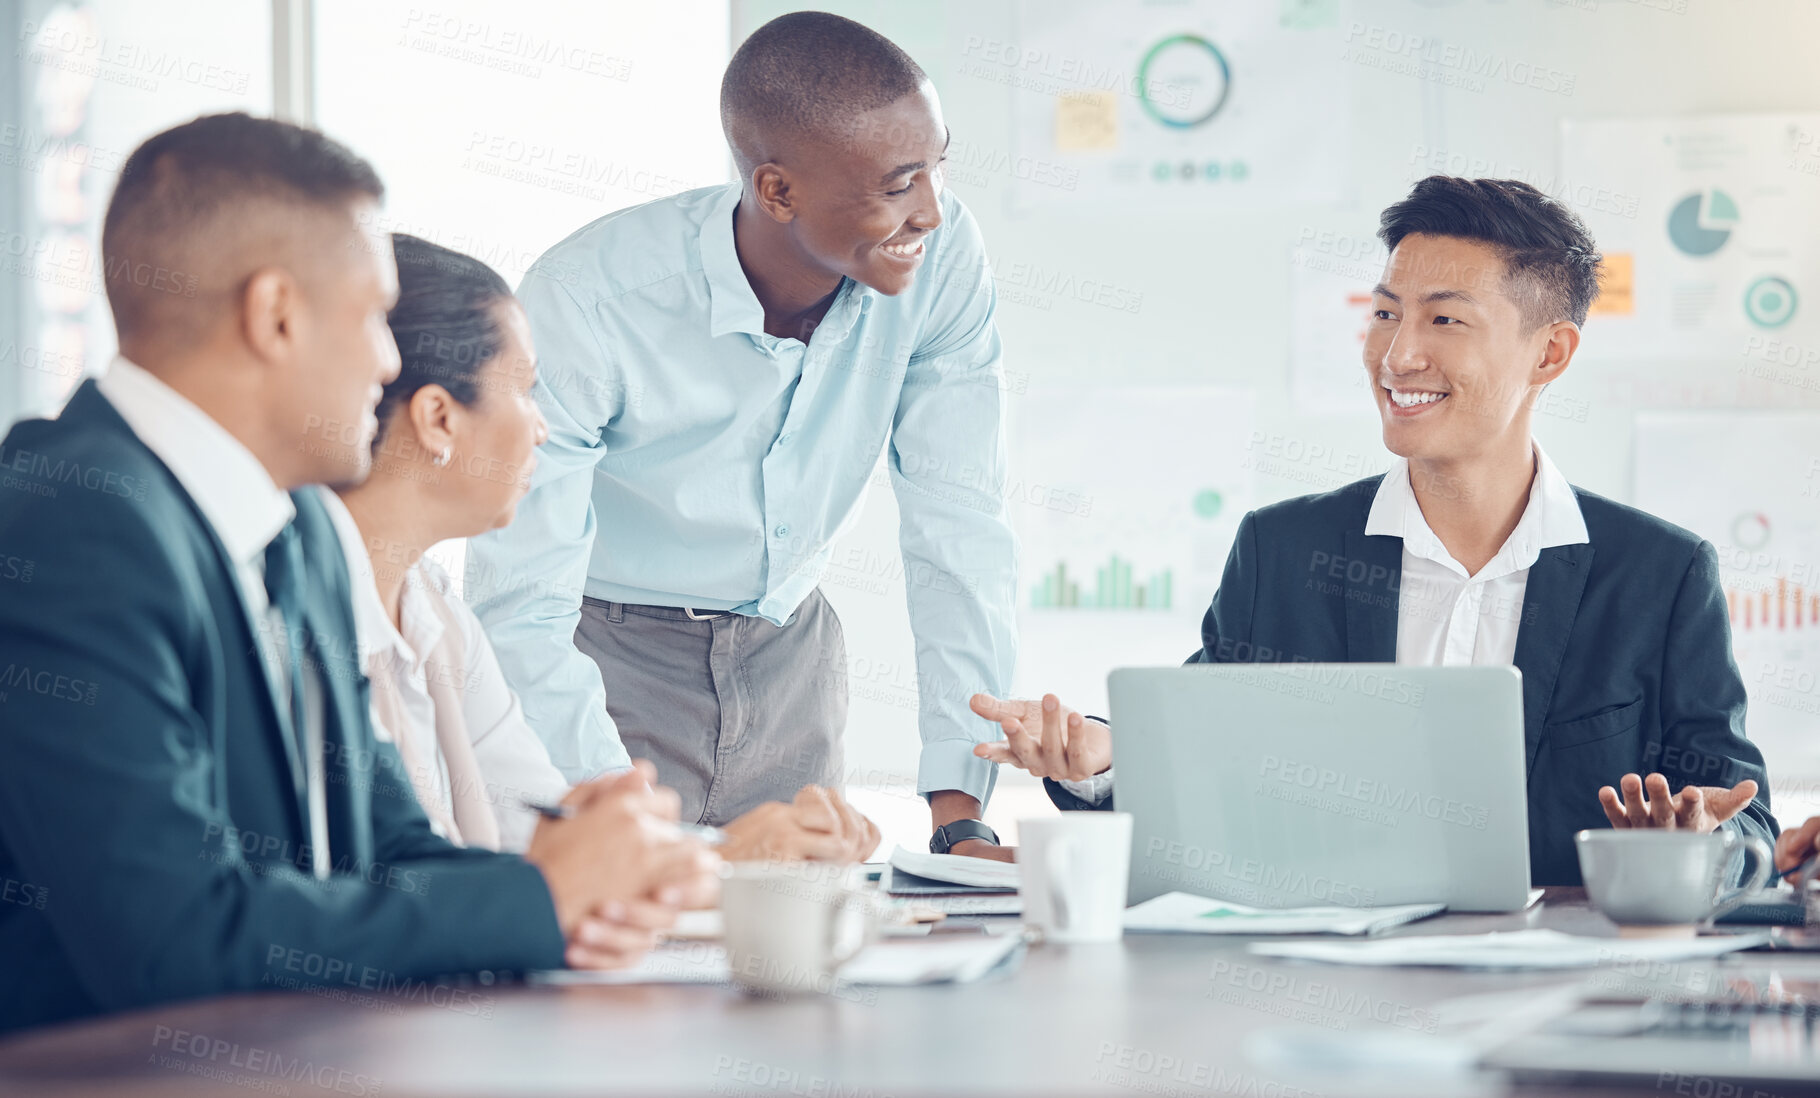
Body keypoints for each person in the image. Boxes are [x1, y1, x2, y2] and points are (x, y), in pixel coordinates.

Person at [0, 113, 716, 1033]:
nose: (388, 361)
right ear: (277, 315)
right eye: (375, 315)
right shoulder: (72, 526)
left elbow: (386, 847)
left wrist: (579, 897)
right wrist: (532, 903)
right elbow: (169, 937)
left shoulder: (291, 519)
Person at [970, 177, 1776, 885]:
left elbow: (1747, 825)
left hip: (1560, 1004)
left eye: (1445, 321)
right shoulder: (1283, 553)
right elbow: (1197, 762)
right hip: (1317, 993)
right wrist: (1103, 761)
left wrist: (1699, 838)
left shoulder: (1658, 576)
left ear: (1550, 354)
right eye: (1386, 313)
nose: (1398, 354)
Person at [467, 12, 1017, 860]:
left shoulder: (941, 260)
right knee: (628, 956)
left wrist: (960, 812)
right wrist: (626, 828)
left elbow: (960, 521)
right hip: (611, 666)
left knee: (796, 955)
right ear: (777, 191)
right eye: (898, 183)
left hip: (791, 659)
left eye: (936, 168)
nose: (933, 213)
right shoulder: (589, 300)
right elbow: (519, 602)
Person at [323, 232, 880, 862]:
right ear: (439, 419)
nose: (542, 428)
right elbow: (399, 891)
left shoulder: (436, 609)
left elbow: (539, 829)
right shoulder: (301, 619)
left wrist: (726, 852)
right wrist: (727, 855)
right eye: (524, 390)